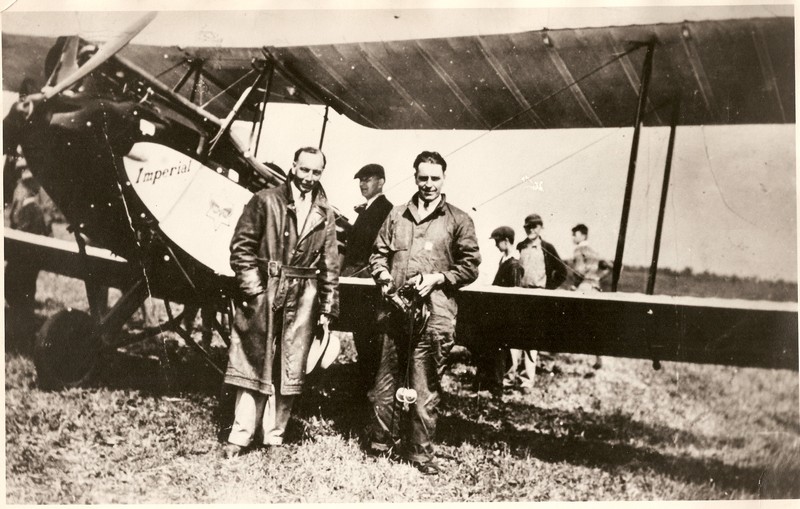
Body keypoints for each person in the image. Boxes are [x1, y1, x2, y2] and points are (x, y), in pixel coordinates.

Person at [222, 146, 339, 459]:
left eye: (316, 172)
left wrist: (327, 307)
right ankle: (240, 436)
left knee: (291, 367)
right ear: (293, 166)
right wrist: (254, 291)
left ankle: (274, 438)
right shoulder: (265, 200)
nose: (309, 178)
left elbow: (329, 264)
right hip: (267, 291)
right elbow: (242, 248)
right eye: (305, 170)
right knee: (252, 361)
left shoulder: (325, 212)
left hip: (305, 297)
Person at [369, 150, 480, 475]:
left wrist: (437, 278)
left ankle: (419, 454)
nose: (428, 184)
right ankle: (380, 446)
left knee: (424, 385)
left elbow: (470, 265)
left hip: (435, 316)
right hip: (395, 312)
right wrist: (385, 278)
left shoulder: (459, 220)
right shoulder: (397, 215)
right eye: (423, 178)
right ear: (415, 177)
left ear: (443, 179)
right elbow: (378, 255)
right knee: (385, 382)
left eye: (435, 178)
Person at [341, 163, 394, 398]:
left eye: (368, 179)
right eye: (360, 180)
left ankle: (369, 390)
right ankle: (366, 388)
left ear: (381, 182)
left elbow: (374, 248)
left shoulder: (385, 209)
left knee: (369, 340)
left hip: (367, 283)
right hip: (360, 283)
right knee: (363, 338)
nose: (363, 184)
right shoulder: (368, 209)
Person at [507, 213, 566, 393]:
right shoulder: (520, 246)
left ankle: (526, 381)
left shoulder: (547, 248)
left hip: (538, 297)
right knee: (512, 338)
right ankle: (509, 378)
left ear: (541, 228)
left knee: (531, 340)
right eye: (528, 227)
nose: (532, 230)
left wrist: (547, 289)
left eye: (535, 226)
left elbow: (562, 272)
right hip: (519, 296)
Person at [5, 166, 52, 352]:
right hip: (25, 267)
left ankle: (16, 336)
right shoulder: (33, 208)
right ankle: (21, 340)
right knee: (24, 304)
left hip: (17, 265)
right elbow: (43, 234)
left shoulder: (19, 202)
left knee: (18, 302)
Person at [472, 226, 523, 396]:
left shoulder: (514, 264)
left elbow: (514, 293)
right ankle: (489, 385)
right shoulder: (505, 260)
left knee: (500, 352)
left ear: (506, 241)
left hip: (504, 316)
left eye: (496, 241)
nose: (495, 245)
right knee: (495, 350)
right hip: (497, 314)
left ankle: (496, 388)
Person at [570, 223, 608, 370]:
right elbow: (609, 267)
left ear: (583, 235)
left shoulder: (579, 250)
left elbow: (579, 271)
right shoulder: (593, 251)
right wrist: (597, 278)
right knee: (595, 325)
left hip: (584, 288)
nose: (573, 237)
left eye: (575, 234)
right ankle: (598, 357)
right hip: (596, 288)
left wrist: (576, 284)